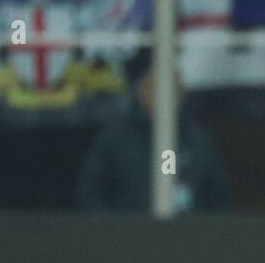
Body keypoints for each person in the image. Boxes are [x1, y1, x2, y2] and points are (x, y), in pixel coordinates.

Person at [75, 49, 230, 213]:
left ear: (181, 94)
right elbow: (90, 193)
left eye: (172, 89)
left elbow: (217, 197)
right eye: (155, 88)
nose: (164, 96)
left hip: (186, 234)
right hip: (129, 234)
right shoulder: (115, 139)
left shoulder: (196, 140)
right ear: (142, 92)